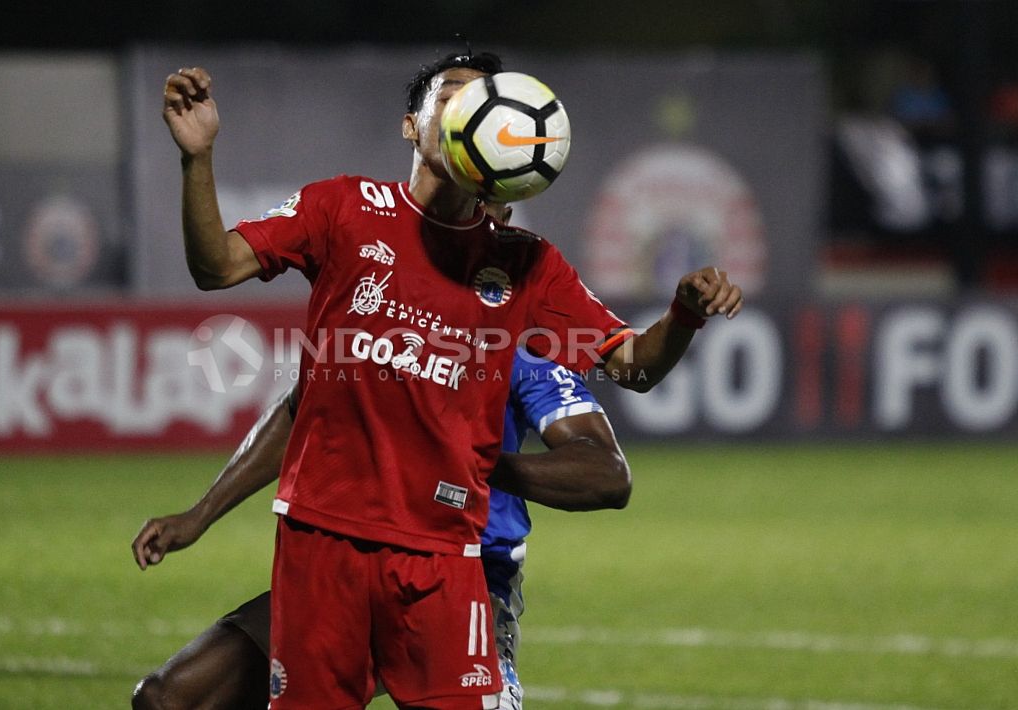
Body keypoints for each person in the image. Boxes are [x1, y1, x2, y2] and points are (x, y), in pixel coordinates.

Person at [161, 49, 743, 708]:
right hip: (321, 543)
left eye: (485, 97)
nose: (470, 108)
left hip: (442, 556)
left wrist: (683, 316)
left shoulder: (524, 265)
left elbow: (632, 367)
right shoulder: (343, 209)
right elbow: (217, 268)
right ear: (413, 125)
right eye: (452, 96)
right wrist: (197, 158)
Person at [131, 348, 629, 710]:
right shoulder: (370, 305)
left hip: (464, 578)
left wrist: (473, 462)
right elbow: (300, 408)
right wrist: (200, 514)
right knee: (171, 700)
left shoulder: (517, 340)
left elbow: (607, 475)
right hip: (351, 567)